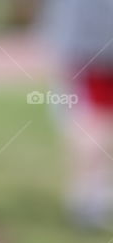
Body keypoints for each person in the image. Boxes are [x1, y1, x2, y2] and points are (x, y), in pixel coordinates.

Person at [43, 0, 113, 229]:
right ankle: (89, 198)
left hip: (86, 53)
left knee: (89, 125)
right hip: (88, 54)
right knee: (94, 125)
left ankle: (88, 199)